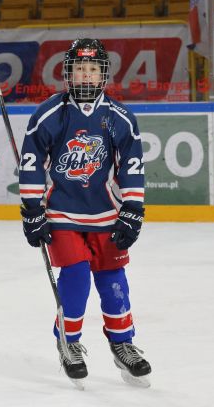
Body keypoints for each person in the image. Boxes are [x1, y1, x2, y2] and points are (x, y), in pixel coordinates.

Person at [18, 38, 152, 388]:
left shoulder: (120, 118)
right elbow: (31, 164)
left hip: (106, 214)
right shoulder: (49, 114)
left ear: (103, 73)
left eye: (93, 68)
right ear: (69, 73)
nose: (87, 75)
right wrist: (32, 209)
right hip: (61, 213)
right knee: (76, 274)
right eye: (80, 68)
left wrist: (132, 208)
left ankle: (122, 343)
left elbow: (132, 166)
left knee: (113, 279)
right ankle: (69, 341)